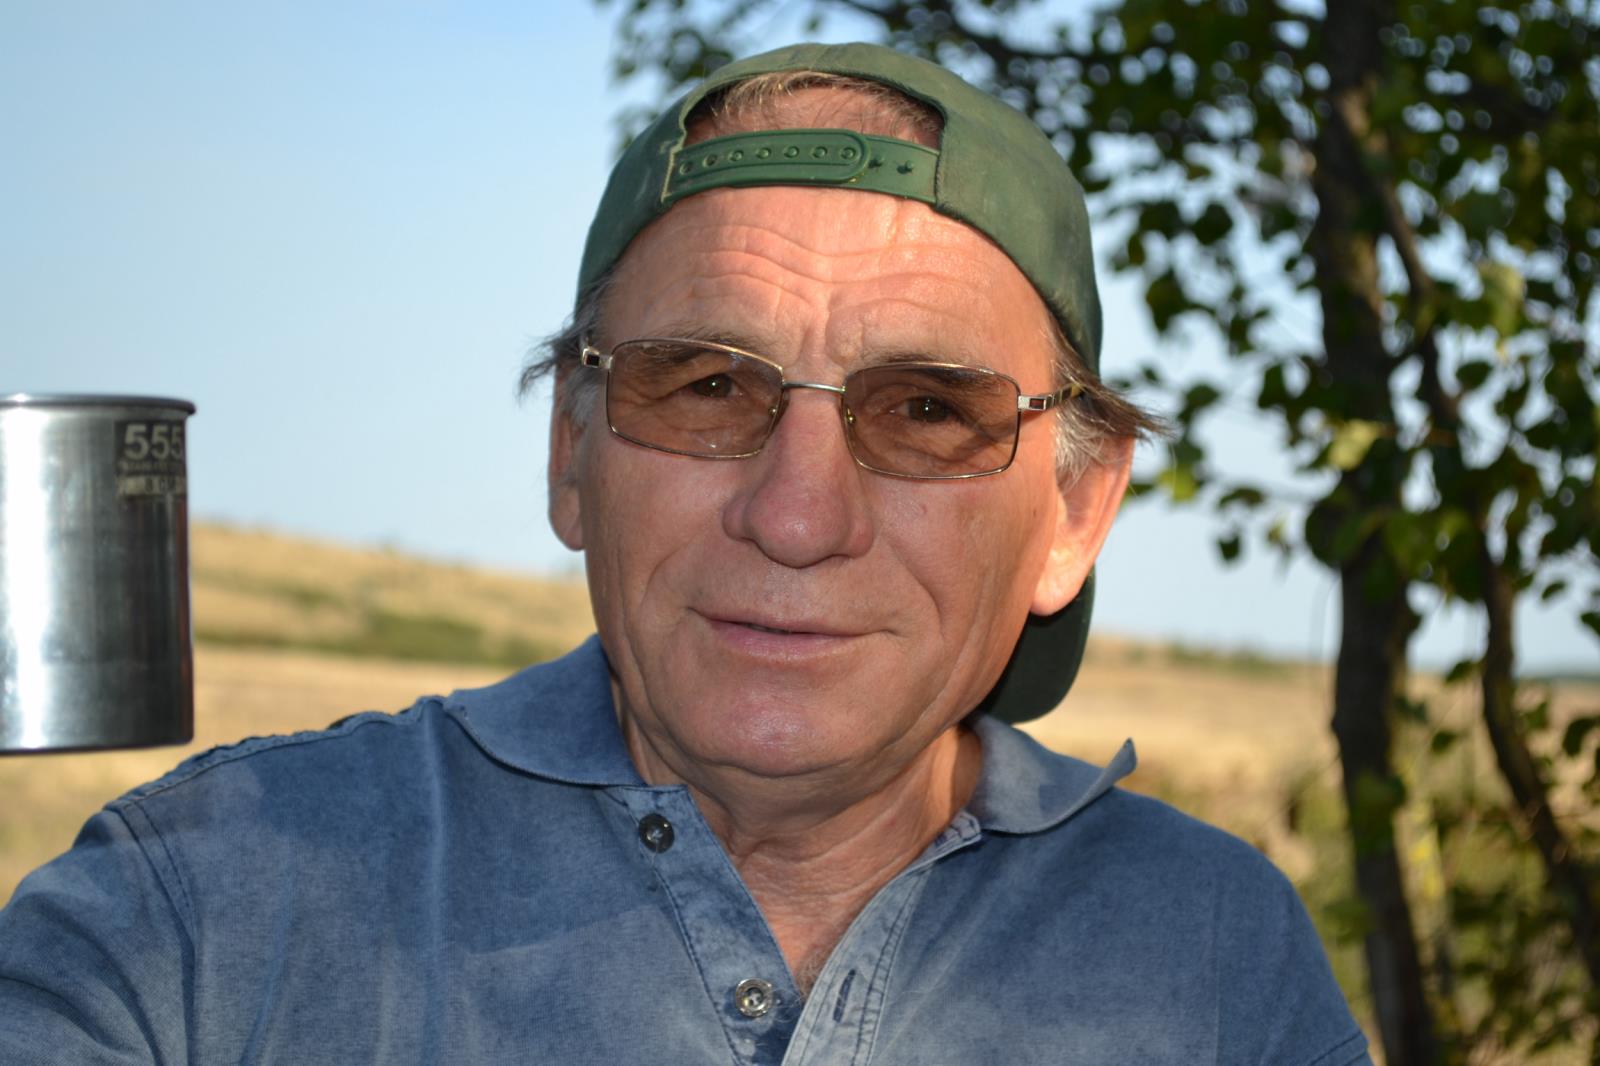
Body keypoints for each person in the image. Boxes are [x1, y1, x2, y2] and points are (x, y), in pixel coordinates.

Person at [0, 42, 1370, 1065]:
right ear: (570, 453)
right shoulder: (201, 912)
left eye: (925, 412)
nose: (798, 516)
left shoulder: (1213, 960)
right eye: (708, 386)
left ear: (1073, 513)